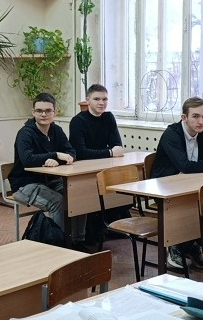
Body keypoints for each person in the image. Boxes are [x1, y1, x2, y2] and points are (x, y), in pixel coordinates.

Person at [149, 97, 203, 271]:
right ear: (184, 117)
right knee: (189, 207)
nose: (201, 121)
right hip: (164, 187)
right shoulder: (171, 134)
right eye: (195, 116)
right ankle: (175, 248)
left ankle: (191, 246)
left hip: (188, 185)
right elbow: (185, 166)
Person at [7, 93, 75, 233]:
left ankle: (77, 239)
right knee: (57, 202)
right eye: (39, 111)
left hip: (50, 180)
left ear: (55, 112)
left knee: (77, 195)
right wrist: (55, 155)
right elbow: (27, 160)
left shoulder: (57, 130)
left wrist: (55, 160)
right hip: (24, 184)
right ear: (33, 112)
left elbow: (71, 153)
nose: (44, 114)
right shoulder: (25, 133)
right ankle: (58, 242)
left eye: (48, 110)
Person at [69, 84, 126, 246]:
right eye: (97, 99)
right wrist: (109, 152)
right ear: (88, 100)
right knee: (85, 197)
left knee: (120, 191)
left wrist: (109, 152)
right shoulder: (78, 121)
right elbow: (80, 152)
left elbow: (118, 146)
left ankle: (106, 227)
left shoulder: (108, 118)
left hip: (103, 167)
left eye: (105, 99)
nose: (102, 103)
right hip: (82, 170)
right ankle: (83, 235)